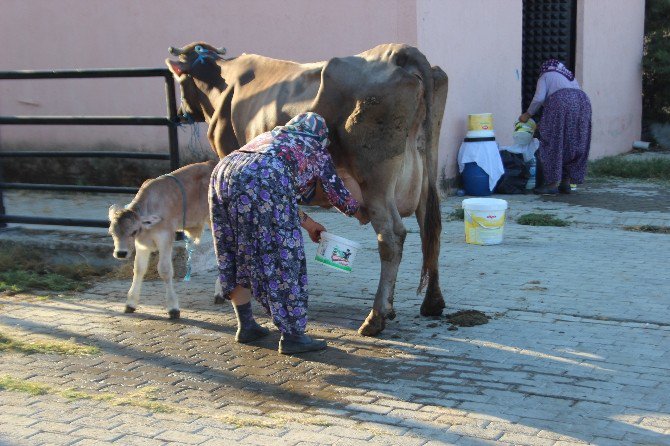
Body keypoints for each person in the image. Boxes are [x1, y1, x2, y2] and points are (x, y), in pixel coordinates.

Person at [209, 112, 369, 354]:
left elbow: (269, 197)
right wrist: (362, 212)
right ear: (322, 136)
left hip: (224, 173)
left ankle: (247, 326)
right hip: (266, 177)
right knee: (285, 258)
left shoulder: (271, 137)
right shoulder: (315, 147)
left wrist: (310, 224)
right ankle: (293, 336)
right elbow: (340, 197)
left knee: (235, 249)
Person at [519, 59, 592, 195]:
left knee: (553, 141)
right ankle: (565, 183)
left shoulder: (546, 75)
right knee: (573, 143)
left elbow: (539, 98)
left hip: (561, 103)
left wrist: (528, 114)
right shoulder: (568, 75)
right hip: (583, 103)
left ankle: (551, 185)